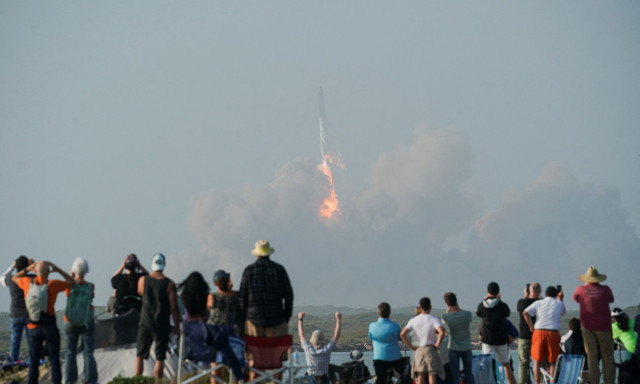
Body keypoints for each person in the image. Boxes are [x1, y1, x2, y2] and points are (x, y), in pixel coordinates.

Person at [12, 260, 74, 384]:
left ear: (36, 271)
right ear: (48, 272)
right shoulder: (52, 284)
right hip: (49, 325)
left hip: (32, 326)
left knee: (34, 360)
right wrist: (58, 269)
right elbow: (71, 282)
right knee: (54, 359)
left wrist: (28, 269)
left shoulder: (27, 283)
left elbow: (14, 277)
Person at [239, 240, 294, 379]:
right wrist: (285, 318)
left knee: (254, 361)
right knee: (277, 363)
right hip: (277, 322)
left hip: (253, 324)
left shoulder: (249, 271)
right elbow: (289, 296)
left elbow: (242, 299)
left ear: (257, 254)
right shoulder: (279, 270)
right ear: (269, 253)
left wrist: (242, 321)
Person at [179, 271, 243, 381]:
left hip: (208, 343)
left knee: (214, 363)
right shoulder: (237, 297)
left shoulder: (210, 298)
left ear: (215, 283)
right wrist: (230, 289)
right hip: (232, 341)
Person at [134, 253, 181, 379]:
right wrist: (177, 326)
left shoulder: (143, 280)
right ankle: (158, 381)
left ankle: (136, 380)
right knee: (160, 357)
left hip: (145, 321)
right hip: (162, 323)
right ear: (164, 265)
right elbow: (174, 307)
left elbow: (139, 292)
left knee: (140, 355)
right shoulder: (169, 284)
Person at [572, 266, 615, 384]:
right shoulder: (606, 289)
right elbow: (611, 299)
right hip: (605, 327)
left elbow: (575, 299)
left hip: (588, 327)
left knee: (591, 357)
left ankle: (594, 381)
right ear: (598, 279)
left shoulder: (580, 289)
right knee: (607, 357)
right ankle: (609, 381)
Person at [63, 258, 97, 384]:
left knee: (70, 352)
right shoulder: (90, 286)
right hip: (86, 321)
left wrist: (71, 276)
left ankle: (70, 381)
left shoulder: (69, 285)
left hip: (70, 321)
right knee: (88, 352)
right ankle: (90, 380)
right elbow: (91, 297)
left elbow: (68, 294)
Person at [522, 286, 566, 384]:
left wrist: (531, 326)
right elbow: (563, 312)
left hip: (538, 332)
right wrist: (561, 299)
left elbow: (525, 313)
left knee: (537, 361)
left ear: (545, 294)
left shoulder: (538, 303)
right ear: (556, 295)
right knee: (553, 361)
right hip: (553, 333)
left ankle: (537, 382)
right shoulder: (559, 303)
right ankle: (552, 381)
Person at [476, 282, 516, 384]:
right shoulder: (502, 306)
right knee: (506, 365)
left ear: (487, 291)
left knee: (488, 365)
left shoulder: (482, 306)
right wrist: (499, 300)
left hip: (488, 339)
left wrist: (485, 299)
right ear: (498, 292)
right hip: (501, 339)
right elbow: (506, 313)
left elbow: (479, 313)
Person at [400, 297, 445, 384]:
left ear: (420, 307)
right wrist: (437, 344)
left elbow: (402, 334)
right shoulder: (433, 319)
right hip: (430, 348)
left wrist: (412, 346)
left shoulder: (414, 320)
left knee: (420, 374)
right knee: (432, 374)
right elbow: (441, 332)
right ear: (430, 307)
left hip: (419, 349)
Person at [0, 255, 33, 363]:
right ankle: (32, 361)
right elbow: (43, 277)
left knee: (15, 340)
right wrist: (33, 265)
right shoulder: (31, 278)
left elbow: (2, 278)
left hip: (15, 314)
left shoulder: (12, 279)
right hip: (29, 314)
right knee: (31, 340)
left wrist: (12, 266)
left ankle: (13, 362)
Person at [297, 311, 342, 384]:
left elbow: (301, 335)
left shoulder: (308, 349)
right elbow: (336, 336)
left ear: (312, 340)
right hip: (323, 380)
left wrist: (300, 319)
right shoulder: (327, 350)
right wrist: (338, 319)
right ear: (323, 340)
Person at [368, 302, 405, 384]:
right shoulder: (395, 326)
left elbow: (371, 338)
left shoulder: (372, 326)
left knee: (381, 380)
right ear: (389, 313)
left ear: (378, 313)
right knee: (401, 378)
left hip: (379, 358)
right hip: (394, 359)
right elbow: (401, 338)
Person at [441, 292, 474, 384]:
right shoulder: (467, 314)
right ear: (456, 301)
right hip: (466, 347)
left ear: (447, 304)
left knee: (455, 375)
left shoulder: (446, 316)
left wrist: (448, 309)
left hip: (453, 348)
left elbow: (443, 320)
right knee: (468, 373)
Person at [516, 282, 540, 384]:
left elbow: (520, 308)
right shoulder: (541, 302)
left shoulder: (522, 302)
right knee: (538, 362)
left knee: (523, 363)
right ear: (540, 291)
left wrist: (526, 295)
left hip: (524, 336)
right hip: (537, 335)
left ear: (529, 290)